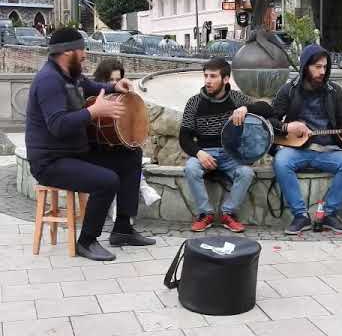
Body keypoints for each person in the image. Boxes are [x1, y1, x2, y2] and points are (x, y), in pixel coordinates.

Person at [25, 28, 156, 261]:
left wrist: (116, 87)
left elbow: (91, 87)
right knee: (106, 181)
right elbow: (58, 125)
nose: (85, 55)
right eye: (81, 49)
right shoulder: (49, 80)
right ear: (67, 52)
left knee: (131, 156)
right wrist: (93, 111)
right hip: (51, 162)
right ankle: (86, 241)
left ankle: (123, 229)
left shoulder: (70, 75)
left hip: (74, 153)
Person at [269, 44, 342, 235]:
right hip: (297, 149)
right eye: (317, 67)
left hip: (327, 150)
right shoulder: (288, 90)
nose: (322, 71)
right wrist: (288, 127)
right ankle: (300, 215)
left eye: (325, 67)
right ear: (305, 67)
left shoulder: (334, 91)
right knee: (281, 161)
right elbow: (271, 120)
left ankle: (328, 213)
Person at [179, 57, 272, 233]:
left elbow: (268, 109)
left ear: (226, 79)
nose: (208, 81)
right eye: (206, 76)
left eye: (213, 76)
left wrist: (246, 109)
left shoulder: (236, 99)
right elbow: (184, 138)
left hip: (231, 155)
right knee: (191, 168)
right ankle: (205, 214)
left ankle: (227, 213)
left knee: (246, 173)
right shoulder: (194, 102)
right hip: (205, 152)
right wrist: (199, 153)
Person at [93, 59, 161, 221]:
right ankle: (139, 191)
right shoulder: (94, 96)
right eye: (111, 80)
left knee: (133, 151)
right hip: (97, 149)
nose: (115, 84)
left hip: (116, 147)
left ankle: (124, 221)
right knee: (124, 160)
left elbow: (126, 130)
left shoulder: (122, 98)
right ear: (102, 79)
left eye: (118, 79)